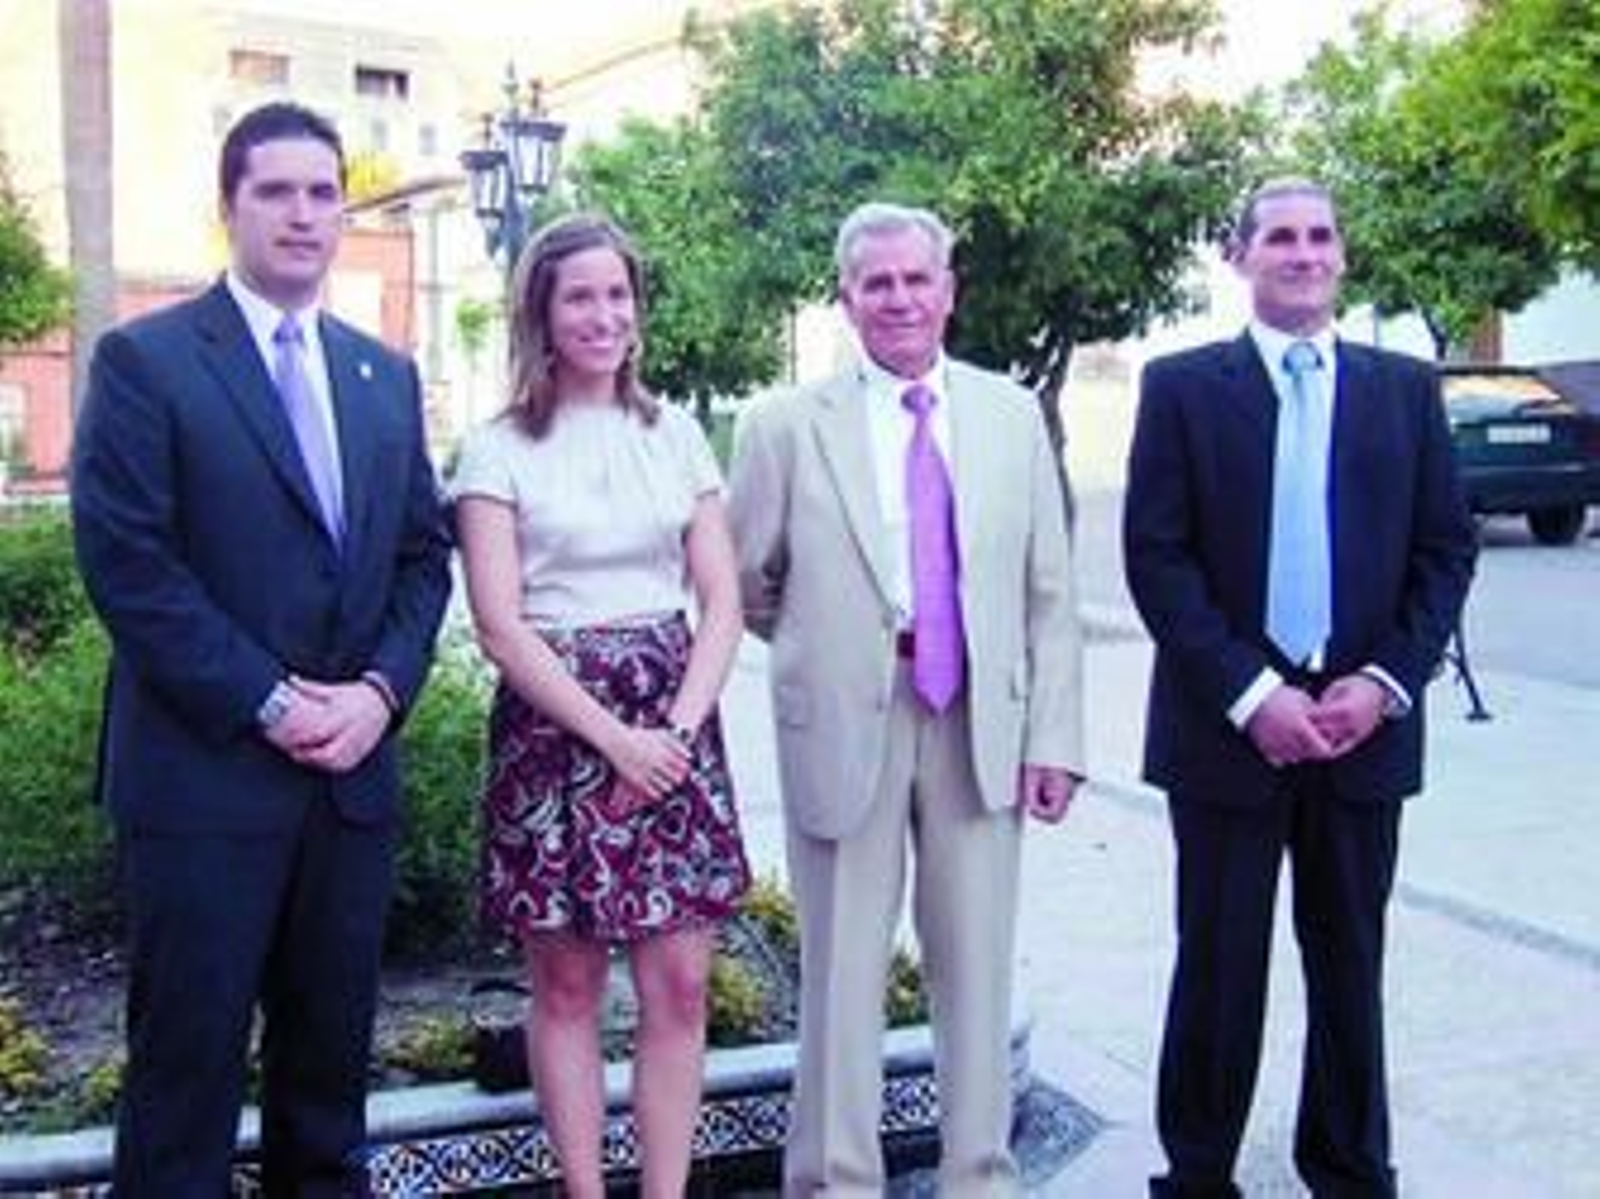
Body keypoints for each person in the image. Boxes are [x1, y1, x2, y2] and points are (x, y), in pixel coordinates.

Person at [69, 101, 452, 1197]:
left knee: (327, 1095)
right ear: (227, 207)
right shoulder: (146, 362)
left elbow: (424, 559)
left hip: (348, 790)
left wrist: (379, 693)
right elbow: (130, 568)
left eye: (323, 192)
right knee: (184, 1092)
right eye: (275, 190)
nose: (302, 213)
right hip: (203, 786)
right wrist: (274, 702)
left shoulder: (384, 377)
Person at [1123, 177, 1477, 1197]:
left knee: (1349, 963)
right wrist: (1251, 695)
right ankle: (1195, 1172)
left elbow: (1443, 552)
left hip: (1361, 729)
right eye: (1279, 235)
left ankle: (1351, 1166)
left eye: (1320, 235)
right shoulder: (1182, 386)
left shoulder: (1404, 391)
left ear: (1341, 256)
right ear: (1239, 257)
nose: (1303, 251)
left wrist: (1382, 681)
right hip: (1227, 731)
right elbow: (1158, 556)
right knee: (1219, 966)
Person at [727, 200, 1085, 1197]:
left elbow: (1048, 591)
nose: (898, 298)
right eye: (874, 282)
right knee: (842, 976)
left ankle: (980, 1174)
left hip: (980, 720)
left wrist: (1053, 736)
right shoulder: (781, 425)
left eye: (915, 278)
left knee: (975, 970)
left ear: (948, 289)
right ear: (845, 299)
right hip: (849, 715)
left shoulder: (1009, 415)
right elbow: (746, 579)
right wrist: (834, 644)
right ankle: (835, 1179)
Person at [452, 212, 751, 1199]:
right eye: (580, 295)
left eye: (617, 294)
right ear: (541, 310)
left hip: (674, 725)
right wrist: (614, 738)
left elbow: (722, 599)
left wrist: (672, 732)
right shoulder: (495, 449)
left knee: (679, 986)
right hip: (558, 730)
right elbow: (501, 625)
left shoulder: (675, 435)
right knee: (569, 985)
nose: (604, 313)